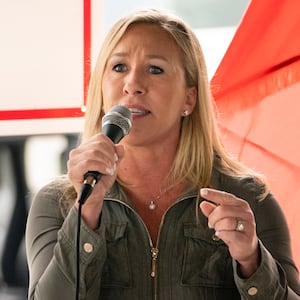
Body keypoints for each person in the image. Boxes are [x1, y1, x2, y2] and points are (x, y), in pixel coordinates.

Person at [25, 8, 300, 300]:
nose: (132, 85)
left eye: (155, 69)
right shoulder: (58, 202)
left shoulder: (248, 199)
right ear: (101, 91)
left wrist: (252, 261)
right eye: (119, 67)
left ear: (189, 98)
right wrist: (86, 216)